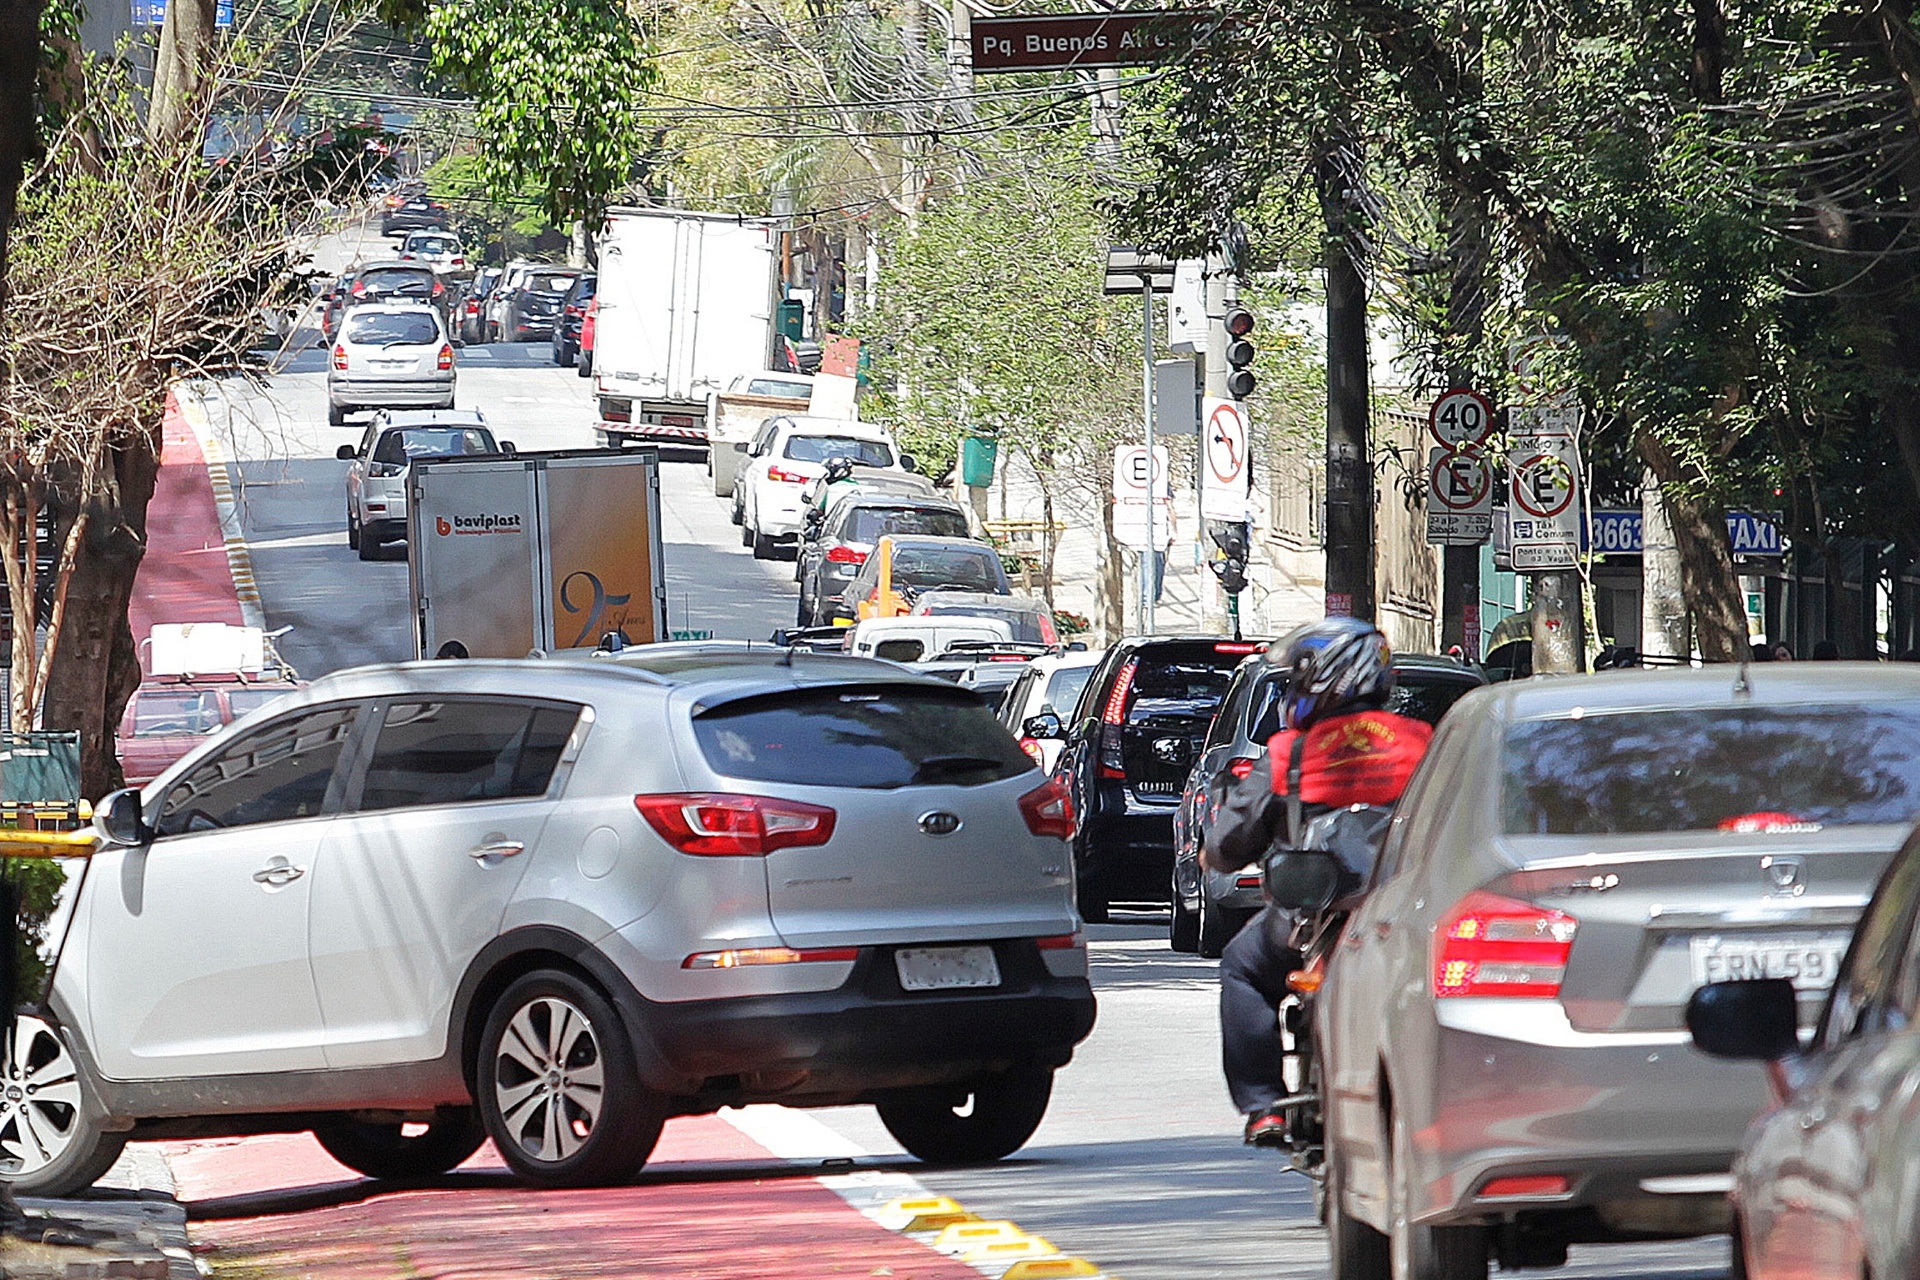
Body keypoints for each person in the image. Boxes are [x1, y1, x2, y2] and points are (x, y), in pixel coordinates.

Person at [1203, 617, 1435, 1146]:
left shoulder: (1289, 752)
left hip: (1310, 921)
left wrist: (1214, 855)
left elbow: (1228, 844)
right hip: (1402, 918)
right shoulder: (1423, 741)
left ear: (1322, 677)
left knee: (1241, 968)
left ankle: (1263, 1106)